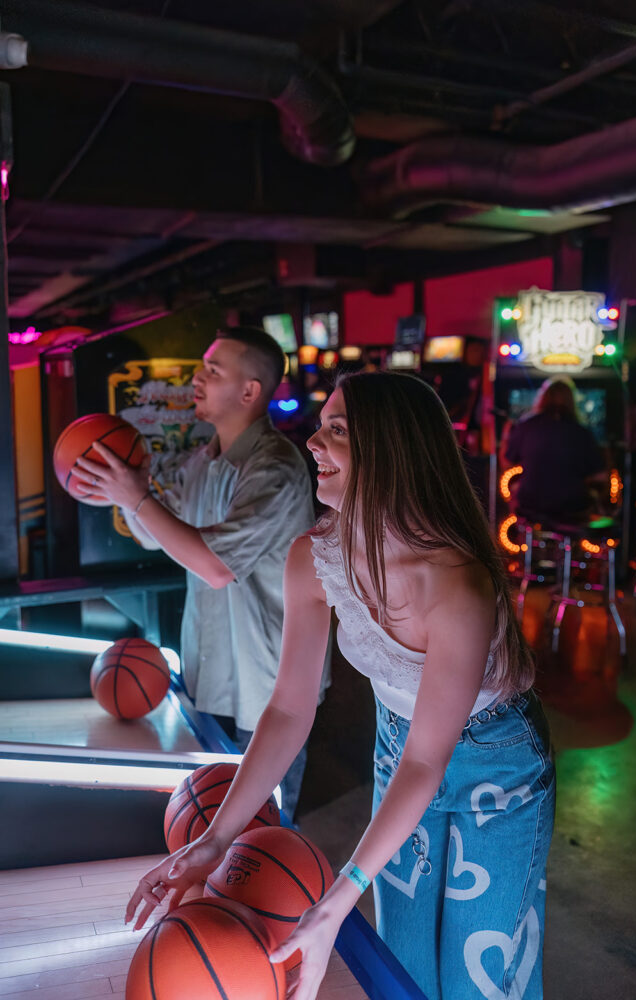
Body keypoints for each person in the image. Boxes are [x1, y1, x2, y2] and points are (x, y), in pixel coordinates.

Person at [123, 371, 555, 1000]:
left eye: (338, 431)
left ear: (391, 450)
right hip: (399, 747)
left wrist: (334, 903)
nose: (313, 444)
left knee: (480, 978)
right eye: (322, 427)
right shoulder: (315, 557)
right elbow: (290, 709)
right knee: (404, 964)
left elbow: (429, 759)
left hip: (498, 765)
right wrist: (216, 838)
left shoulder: (457, 584)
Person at [73, 326, 327, 822]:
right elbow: (161, 536)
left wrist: (137, 498)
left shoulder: (275, 466)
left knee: (263, 828)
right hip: (212, 671)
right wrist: (121, 490)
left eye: (213, 371)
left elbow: (214, 566)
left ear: (250, 391)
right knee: (211, 818)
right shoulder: (201, 461)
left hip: (269, 682)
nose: (197, 378)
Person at [504, 375, 607, 522]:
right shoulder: (582, 432)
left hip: (531, 502)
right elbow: (600, 475)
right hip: (572, 505)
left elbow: (507, 463)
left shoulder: (526, 426)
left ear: (543, 397)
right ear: (572, 400)